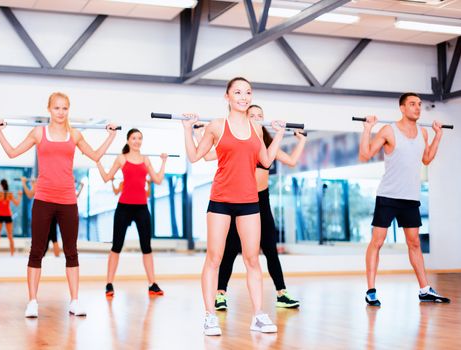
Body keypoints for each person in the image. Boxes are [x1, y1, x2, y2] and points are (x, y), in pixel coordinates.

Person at [0, 92, 117, 318]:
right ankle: (32, 301)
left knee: (72, 252)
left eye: (65, 108)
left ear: (69, 110)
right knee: (36, 252)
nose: (61, 112)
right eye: (57, 108)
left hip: (68, 200)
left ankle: (75, 301)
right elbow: (12, 153)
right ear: (49, 109)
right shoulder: (39, 133)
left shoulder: (75, 134)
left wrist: (110, 136)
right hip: (43, 199)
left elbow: (96, 155)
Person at [182, 77, 285, 336]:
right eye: (237, 92)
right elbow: (196, 156)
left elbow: (265, 160)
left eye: (248, 92)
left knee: (252, 259)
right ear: (227, 97)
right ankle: (209, 316)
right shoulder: (217, 125)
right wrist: (187, 129)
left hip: (249, 201)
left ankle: (259, 315)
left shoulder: (255, 128)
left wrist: (280, 134)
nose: (243, 96)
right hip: (221, 201)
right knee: (214, 258)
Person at [197, 104, 306, 310]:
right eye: (252, 115)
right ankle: (220, 294)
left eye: (260, 116)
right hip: (236, 199)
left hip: (260, 202)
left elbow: (291, 160)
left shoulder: (265, 141)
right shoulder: (239, 140)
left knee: (270, 250)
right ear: (245, 116)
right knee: (229, 250)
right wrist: (199, 133)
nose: (256, 118)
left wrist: (302, 140)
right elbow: (209, 154)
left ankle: (281, 293)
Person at [358, 92, 450, 306]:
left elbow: (426, 159)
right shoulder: (389, 130)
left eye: (419, 104)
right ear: (402, 108)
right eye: (412, 104)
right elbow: (366, 154)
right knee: (378, 242)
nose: (417, 107)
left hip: (410, 197)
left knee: (414, 243)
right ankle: (371, 290)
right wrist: (367, 129)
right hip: (388, 195)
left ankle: (425, 290)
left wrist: (438, 136)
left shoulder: (423, 133)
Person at [96, 128, 167, 298]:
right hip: (124, 207)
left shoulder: (146, 159)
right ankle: (109, 284)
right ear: (128, 140)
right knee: (116, 246)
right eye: (134, 138)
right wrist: (98, 161)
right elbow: (107, 177)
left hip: (141, 208)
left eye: (139, 138)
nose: (137, 141)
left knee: (146, 248)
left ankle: (152, 284)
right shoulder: (121, 158)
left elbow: (157, 179)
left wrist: (163, 162)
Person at [0, 179, 21, 256]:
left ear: (1, 185)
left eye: (0, 185)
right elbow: (17, 203)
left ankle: (11, 254)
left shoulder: (7, 194)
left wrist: (19, 195)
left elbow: (16, 203)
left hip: (7, 215)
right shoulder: (1, 193)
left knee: (9, 236)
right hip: (1, 215)